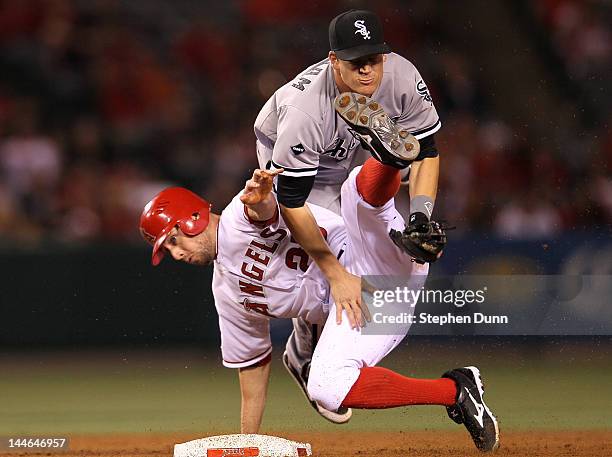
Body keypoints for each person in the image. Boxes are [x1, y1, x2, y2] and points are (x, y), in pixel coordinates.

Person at [138, 159, 499, 453]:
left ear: (192, 219)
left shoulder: (237, 216)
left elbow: (261, 211)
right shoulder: (227, 294)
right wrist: (247, 443)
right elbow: (251, 367)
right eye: (166, 250)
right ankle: (456, 391)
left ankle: (393, 151)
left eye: (171, 241)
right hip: (372, 303)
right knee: (326, 388)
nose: (174, 253)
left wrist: (263, 195)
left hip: (368, 253)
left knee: (355, 191)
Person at [254, 9, 442, 422]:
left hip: (348, 157)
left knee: (378, 186)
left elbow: (428, 153)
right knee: (334, 267)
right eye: (355, 61)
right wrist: (336, 275)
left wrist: (422, 216)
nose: (366, 70)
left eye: (373, 59)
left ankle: (385, 159)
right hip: (297, 166)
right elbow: (293, 202)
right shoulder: (304, 110)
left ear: (385, 57)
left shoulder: (403, 77)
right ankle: (305, 354)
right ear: (333, 60)